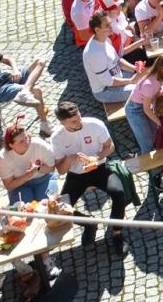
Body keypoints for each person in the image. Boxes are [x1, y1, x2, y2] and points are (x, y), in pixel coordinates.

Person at [50, 101, 130, 251]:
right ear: (62, 122)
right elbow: (61, 170)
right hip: (76, 175)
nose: (79, 122)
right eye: (73, 121)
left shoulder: (94, 124)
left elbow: (110, 146)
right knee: (61, 210)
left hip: (99, 168)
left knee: (118, 193)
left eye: (79, 116)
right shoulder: (57, 138)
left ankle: (117, 232)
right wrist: (70, 158)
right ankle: (88, 223)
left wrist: (97, 157)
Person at [0, 122, 58, 204]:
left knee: (47, 205)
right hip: (20, 185)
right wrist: (26, 176)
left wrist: (38, 168)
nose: (27, 142)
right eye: (21, 141)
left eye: (27, 137)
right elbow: (9, 185)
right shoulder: (4, 157)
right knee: (23, 209)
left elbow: (51, 168)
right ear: (11, 145)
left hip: (44, 179)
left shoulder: (39, 145)